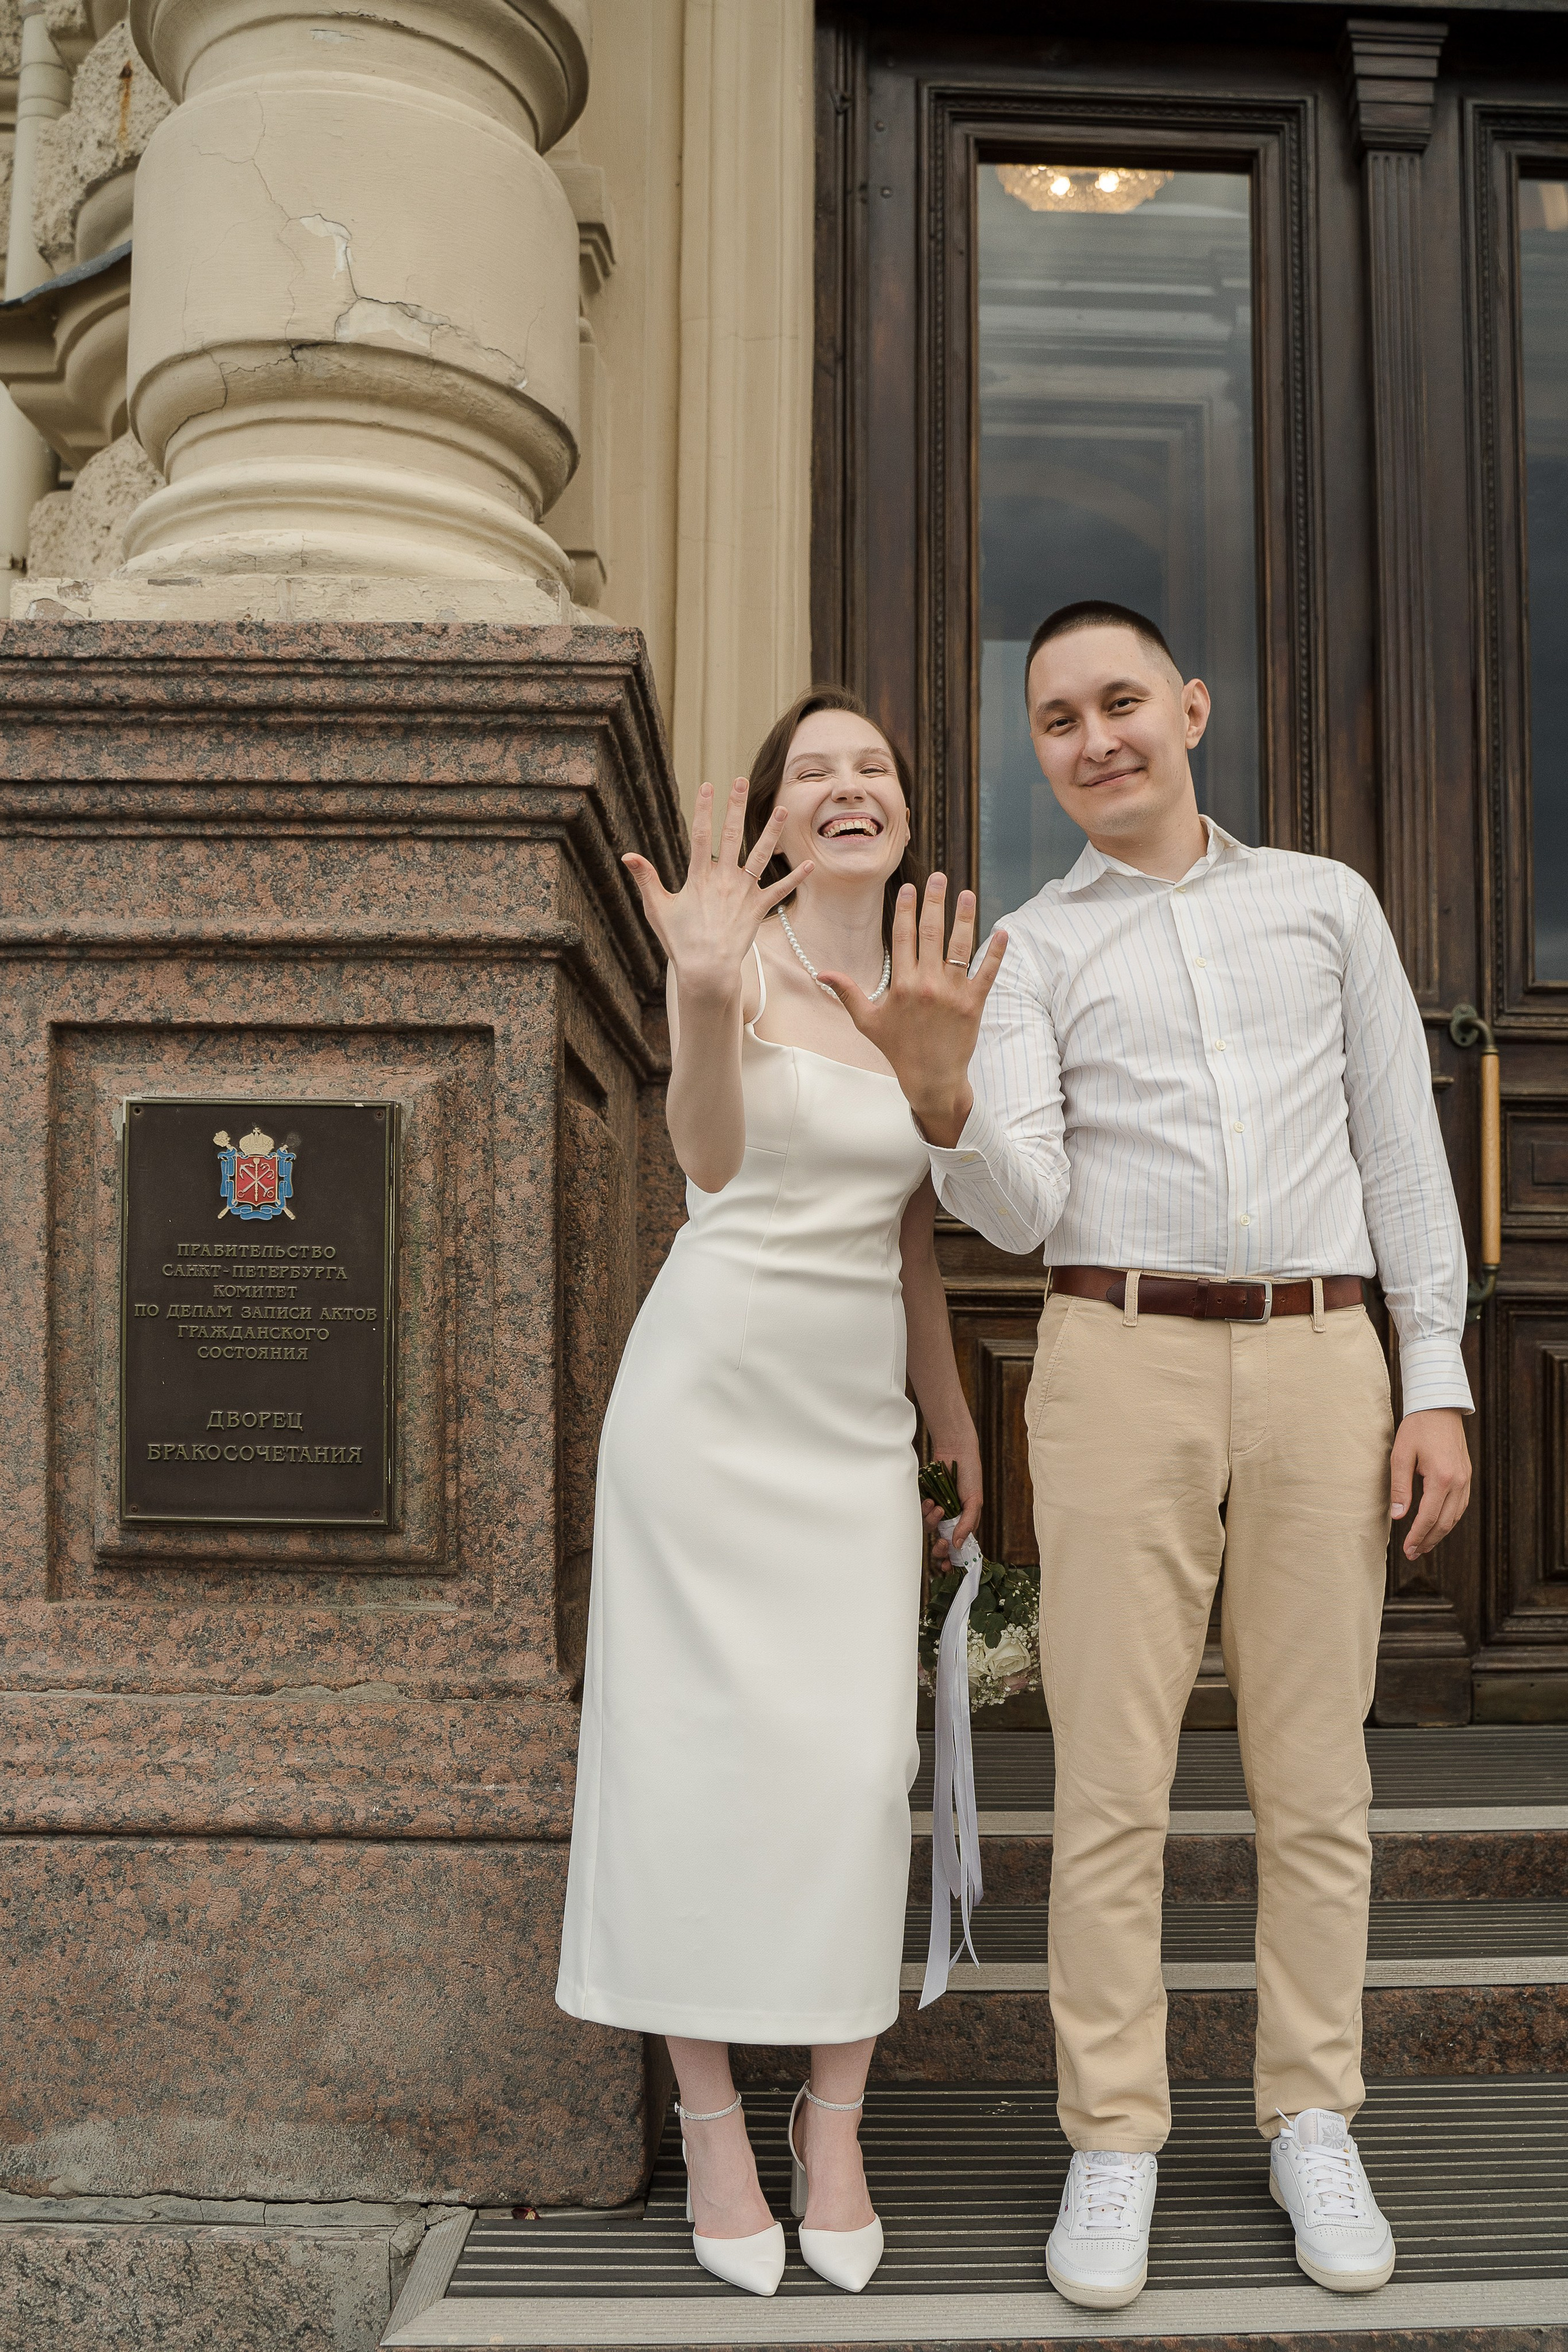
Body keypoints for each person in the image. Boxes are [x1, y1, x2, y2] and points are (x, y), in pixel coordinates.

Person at [830, 601, 1474, 2311]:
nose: (1096, 737)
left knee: (1315, 1779)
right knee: (1111, 1784)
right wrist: (946, 1097)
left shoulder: (1324, 903)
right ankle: (1114, 2138)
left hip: (1328, 1359)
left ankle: (1309, 2115)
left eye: (1122, 702)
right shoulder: (1031, 952)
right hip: (1115, 1358)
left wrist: (1439, 1380)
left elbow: (1403, 1157)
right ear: (1036, 752)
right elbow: (1023, 1205)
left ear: (1189, 709)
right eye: (1058, 720)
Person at [554, 687, 1006, 2297]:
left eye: (873, 766)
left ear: (905, 809)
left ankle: (833, 2119)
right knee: (687, 1759)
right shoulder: (727, 960)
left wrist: (948, 1425)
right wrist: (695, 994)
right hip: (708, 1410)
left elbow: (913, 1244)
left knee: (848, 1767)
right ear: (777, 813)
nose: (846, 787)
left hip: (845, 1438)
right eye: (814, 770)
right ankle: (711, 2124)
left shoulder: (930, 991)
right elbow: (714, 1158)